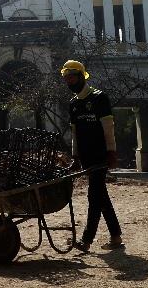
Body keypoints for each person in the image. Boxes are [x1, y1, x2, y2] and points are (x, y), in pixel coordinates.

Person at [62, 59, 124, 252]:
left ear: (82, 76)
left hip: (100, 155)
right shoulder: (73, 104)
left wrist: (111, 152)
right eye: (67, 79)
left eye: (72, 77)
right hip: (86, 157)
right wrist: (75, 157)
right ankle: (116, 236)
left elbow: (108, 128)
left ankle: (86, 240)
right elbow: (74, 133)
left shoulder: (99, 98)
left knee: (93, 196)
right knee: (101, 196)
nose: (70, 81)